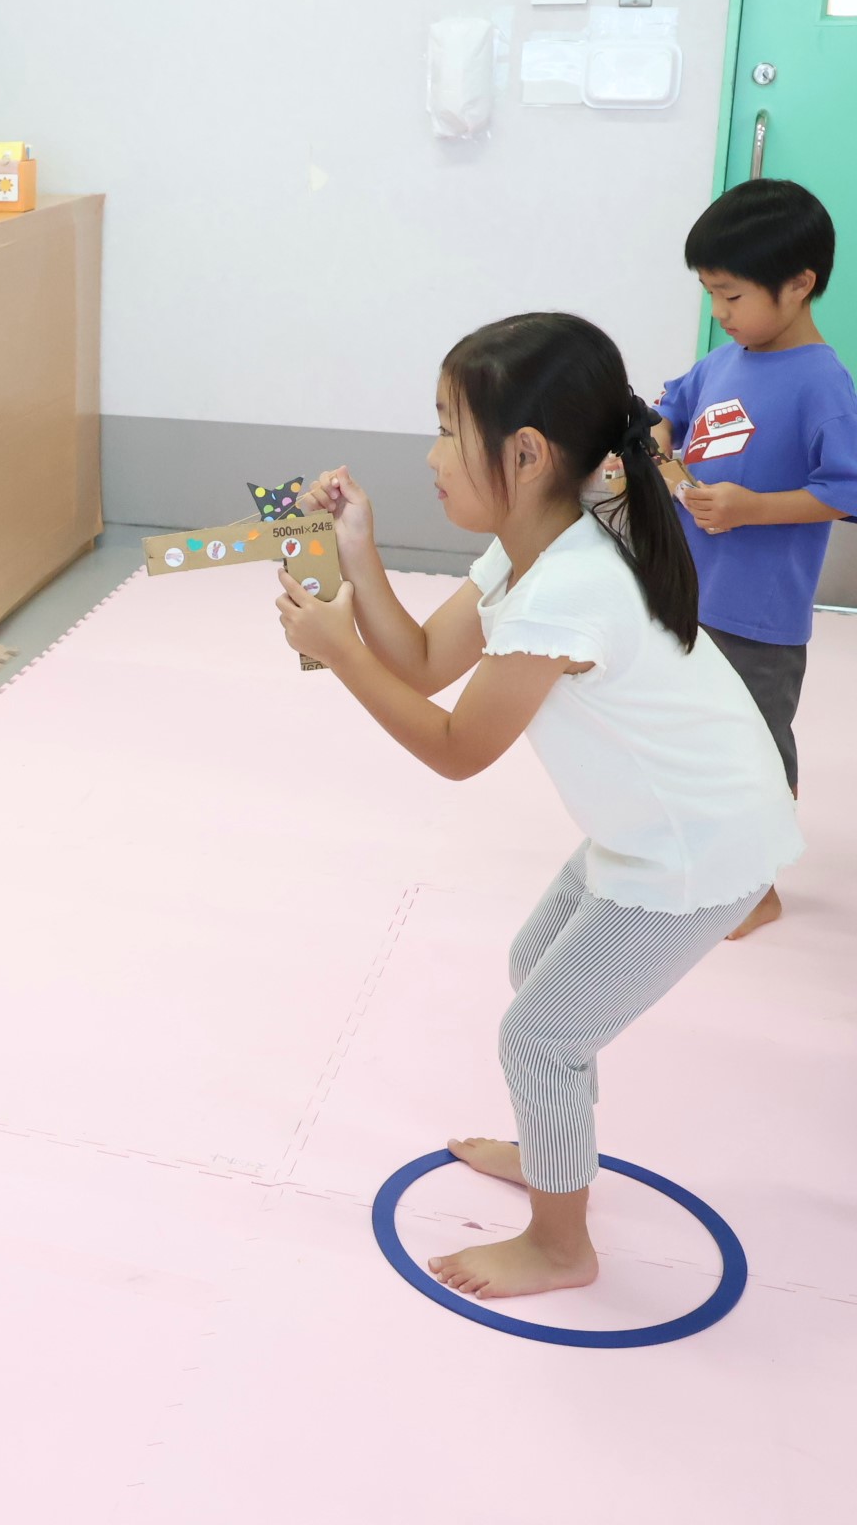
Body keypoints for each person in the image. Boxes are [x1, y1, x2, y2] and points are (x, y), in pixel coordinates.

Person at [277, 313, 801, 1300]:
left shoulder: (571, 586)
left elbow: (456, 749)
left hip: (697, 848)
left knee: (539, 1035)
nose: (432, 455)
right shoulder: (535, 544)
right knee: (536, 969)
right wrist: (356, 547)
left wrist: (339, 652)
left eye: (448, 429)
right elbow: (423, 661)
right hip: (652, 829)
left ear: (524, 453)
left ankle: (562, 1245)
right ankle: (553, 1144)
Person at [652, 178, 857, 938]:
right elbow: (667, 413)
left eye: (731, 295)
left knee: (755, 750)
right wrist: (663, 448)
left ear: (799, 285)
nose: (719, 312)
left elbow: (844, 488)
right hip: (689, 594)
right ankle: (706, 864)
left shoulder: (824, 384)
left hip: (759, 613)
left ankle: (755, 887)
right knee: (692, 737)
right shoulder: (723, 360)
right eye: (710, 293)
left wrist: (751, 508)